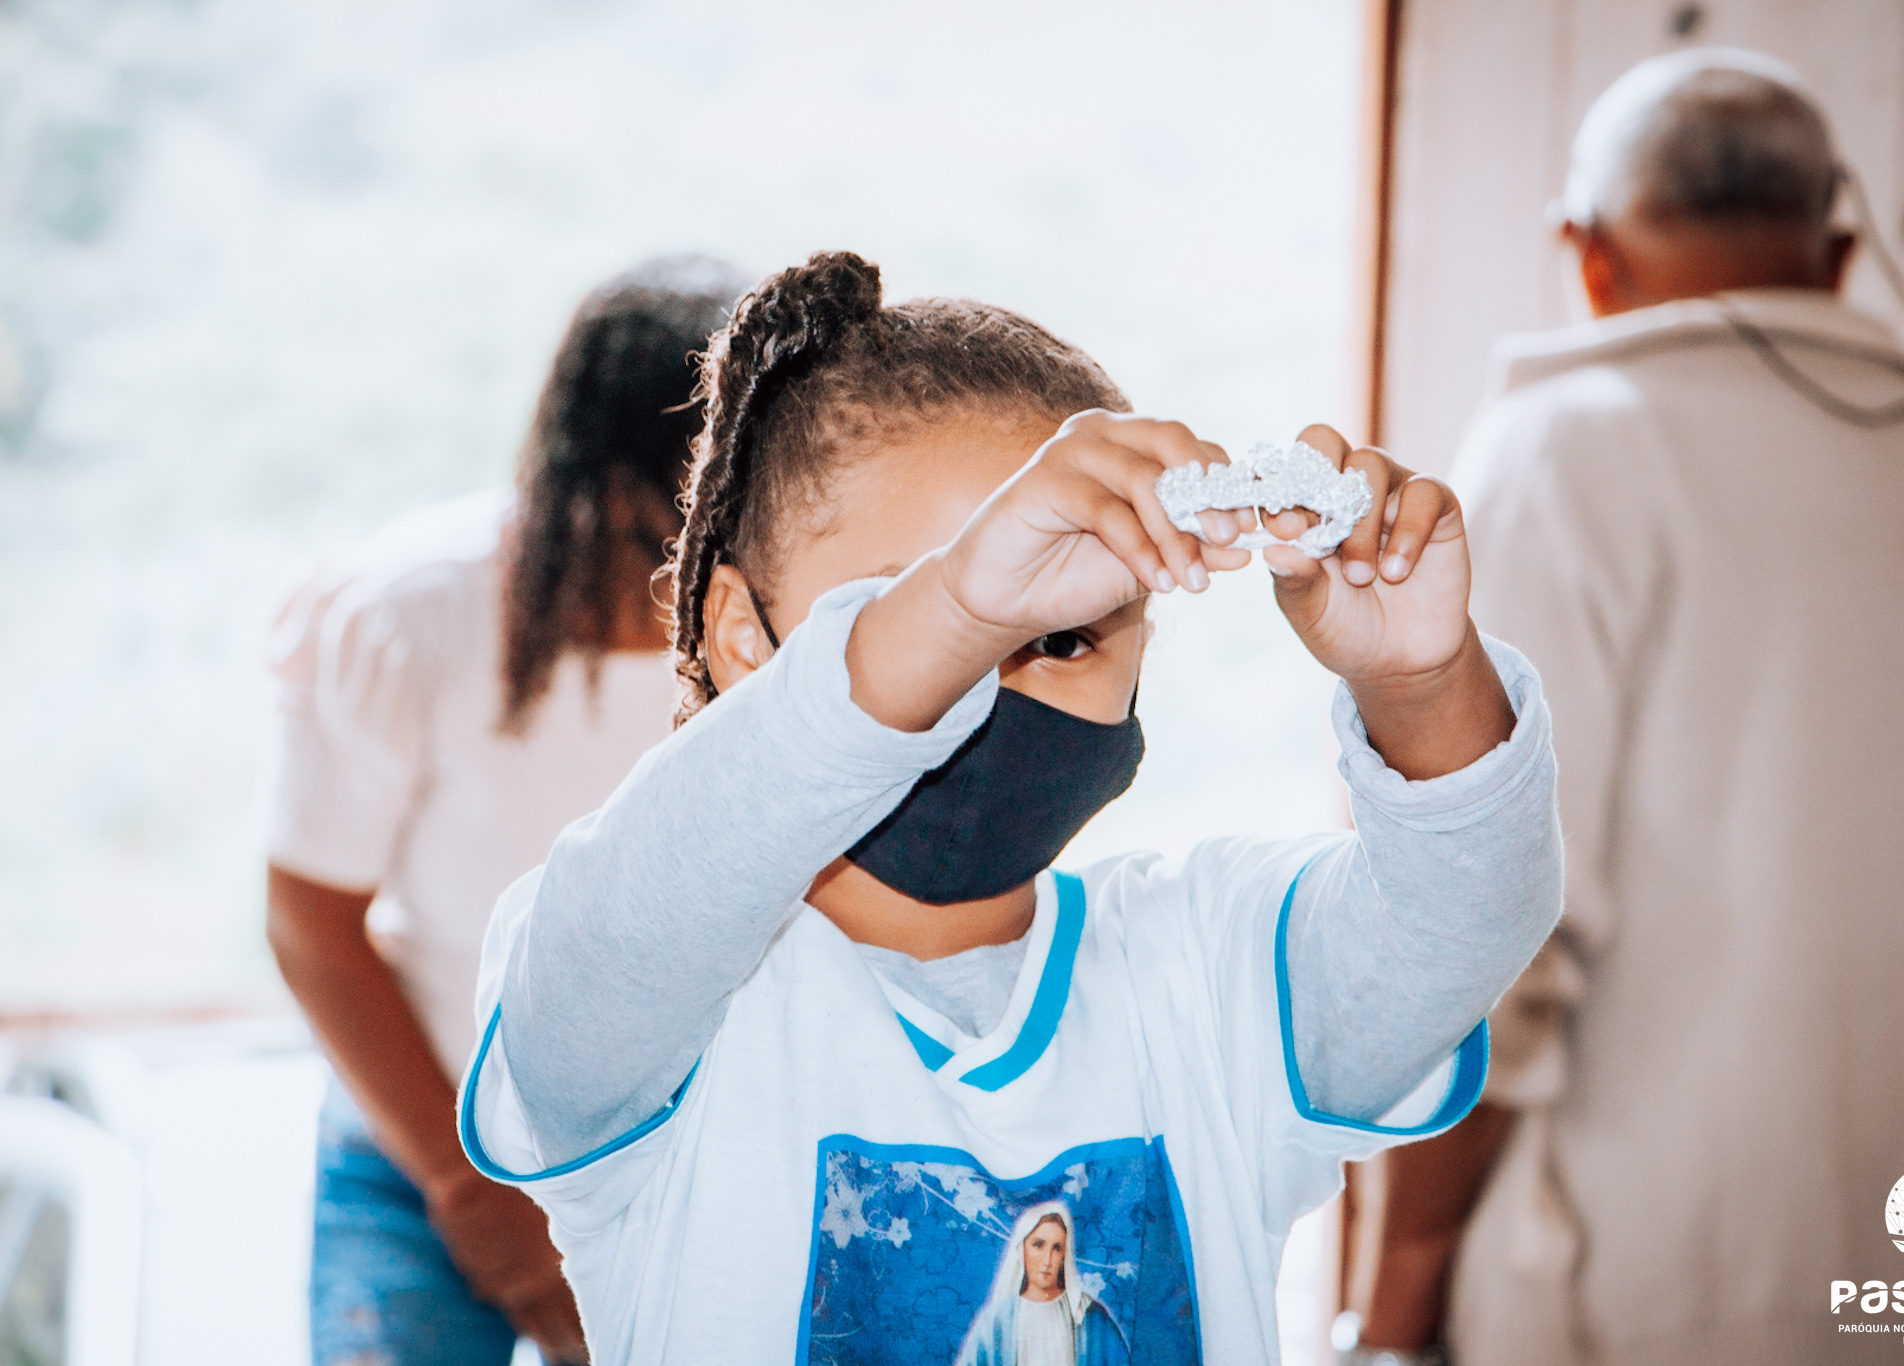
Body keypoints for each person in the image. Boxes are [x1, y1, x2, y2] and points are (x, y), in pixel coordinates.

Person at [455, 250, 1565, 1364]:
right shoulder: (667, 1013)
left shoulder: (1211, 972)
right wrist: (956, 604)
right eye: (939, 616)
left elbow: (1462, 917)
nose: (993, 671)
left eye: (1063, 636)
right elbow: (619, 933)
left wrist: (1423, 683)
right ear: (745, 636)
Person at [1358, 49, 1904, 1366]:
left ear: (1588, 256)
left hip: (1650, 1290)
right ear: (1837, 254)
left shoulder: (1564, 453)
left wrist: (1394, 1303)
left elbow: (1488, 936)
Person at [265, 254, 749, 1366]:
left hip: (670, 1150)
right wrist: (468, 1191)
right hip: (417, 1136)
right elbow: (308, 922)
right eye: (702, 513)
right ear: (610, 488)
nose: (730, 549)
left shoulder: (781, 622)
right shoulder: (410, 616)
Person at [957, 1204, 1127, 1366]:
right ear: (1021, 1250)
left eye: (1057, 1248)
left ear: (1064, 1256)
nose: (1047, 1260)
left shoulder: (1090, 1315)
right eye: (1038, 1245)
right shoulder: (998, 1320)